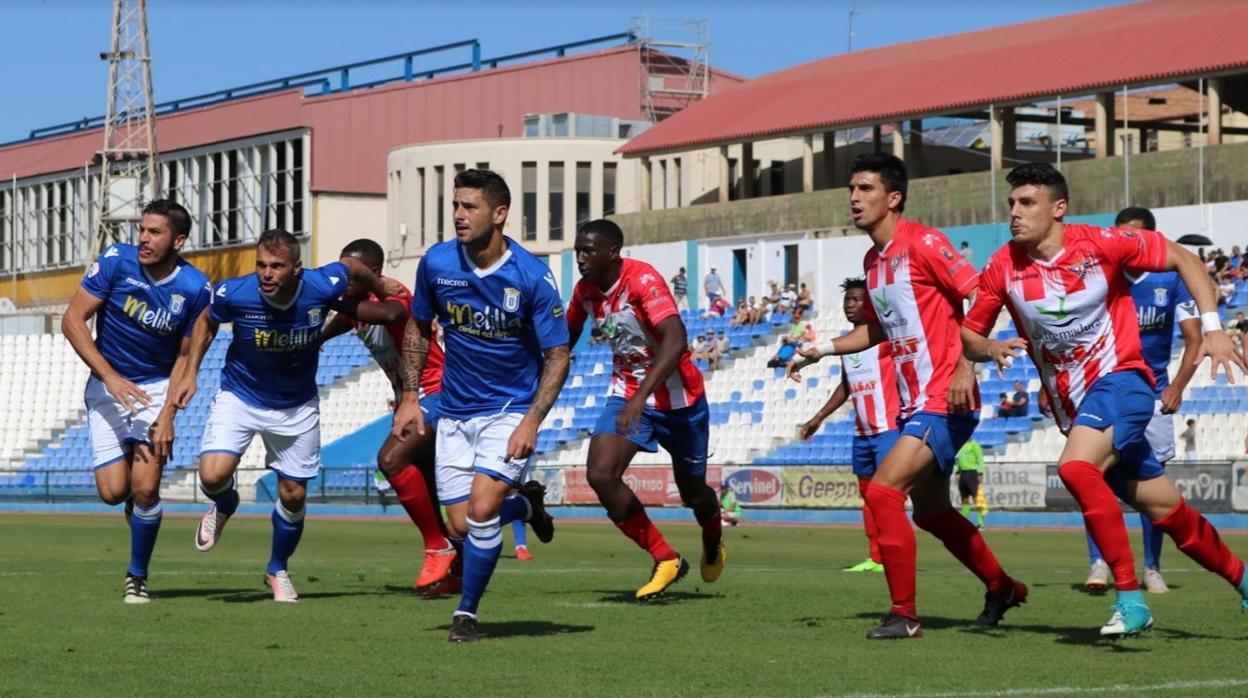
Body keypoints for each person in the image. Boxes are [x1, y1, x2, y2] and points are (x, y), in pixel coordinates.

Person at [961, 162, 1248, 637]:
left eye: (1026, 203)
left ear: (1059, 208)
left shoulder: (1101, 243)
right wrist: (988, 348)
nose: (1014, 212)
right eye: (1011, 203)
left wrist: (1214, 329)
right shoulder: (1003, 266)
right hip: (1074, 406)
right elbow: (969, 335)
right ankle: (1243, 579)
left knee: (1076, 469)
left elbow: (1185, 260)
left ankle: (1130, 597)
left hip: (1125, 382)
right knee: (1168, 513)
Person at [788, 153, 1024, 640]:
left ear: (893, 198)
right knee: (933, 513)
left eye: (866, 189)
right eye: (851, 189)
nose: (854, 198)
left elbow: (981, 297)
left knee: (881, 492)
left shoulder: (925, 242)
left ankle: (905, 615)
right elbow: (874, 330)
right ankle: (1001, 586)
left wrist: (965, 363)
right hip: (914, 403)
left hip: (946, 397)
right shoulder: (873, 262)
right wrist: (822, 350)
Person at [392, 169, 568, 642]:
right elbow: (417, 326)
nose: (458, 215)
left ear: (500, 213)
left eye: (469, 206)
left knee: (483, 507)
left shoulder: (531, 275)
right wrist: (411, 397)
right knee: (462, 523)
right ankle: (528, 506)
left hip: (509, 408)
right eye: (456, 205)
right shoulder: (437, 263)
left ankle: (466, 614)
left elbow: (557, 354)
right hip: (453, 411)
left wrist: (531, 419)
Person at [183, 229, 389, 603]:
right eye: (261, 264)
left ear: (297, 268)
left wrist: (381, 285)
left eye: (277, 266)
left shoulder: (322, 284)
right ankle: (226, 503)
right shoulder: (236, 293)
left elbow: (353, 265)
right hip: (240, 396)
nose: (266, 273)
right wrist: (190, 373)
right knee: (212, 476)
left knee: (293, 496)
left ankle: (277, 568)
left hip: (296, 404)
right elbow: (206, 320)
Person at [61, 199, 211, 604]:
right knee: (113, 493)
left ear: (178, 240)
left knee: (145, 489)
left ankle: (137, 576)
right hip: (107, 388)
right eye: (142, 230)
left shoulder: (196, 288)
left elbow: (186, 357)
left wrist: (168, 414)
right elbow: (72, 320)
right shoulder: (115, 262)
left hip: (157, 390)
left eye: (155, 232)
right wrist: (110, 377)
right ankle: (138, 512)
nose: (143, 238)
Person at [567, 219, 725, 601]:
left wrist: (643, 396)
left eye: (589, 251)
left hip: (680, 402)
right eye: (578, 251)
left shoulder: (643, 281)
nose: (581, 258)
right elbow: (563, 339)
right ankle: (665, 557)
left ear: (613, 252)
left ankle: (712, 537)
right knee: (601, 474)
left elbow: (675, 337)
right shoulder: (585, 292)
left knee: (692, 494)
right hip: (626, 392)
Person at [319, 238, 456, 593]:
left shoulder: (396, 295)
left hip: (438, 392)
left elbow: (394, 316)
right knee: (434, 494)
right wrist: (316, 339)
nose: (344, 279)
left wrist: (330, 297)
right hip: (411, 400)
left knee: (390, 459)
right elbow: (347, 319)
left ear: (374, 274)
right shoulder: (356, 306)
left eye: (351, 273)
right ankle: (459, 567)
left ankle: (437, 547)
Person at [1082, 206, 1203, 595]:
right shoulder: (1102, 277)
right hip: (1107, 391)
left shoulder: (1170, 278)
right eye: (1117, 233)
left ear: (1150, 237)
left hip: (1154, 395)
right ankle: (1099, 562)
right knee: (1093, 475)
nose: (1122, 242)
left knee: (1155, 487)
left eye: (1131, 235)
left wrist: (1177, 387)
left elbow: (1195, 339)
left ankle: (1152, 567)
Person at [797, 277, 899, 574]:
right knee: (868, 498)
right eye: (848, 300)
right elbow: (847, 385)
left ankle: (894, 554)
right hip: (862, 433)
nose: (851, 305)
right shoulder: (845, 344)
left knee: (885, 497)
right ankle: (875, 557)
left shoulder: (887, 339)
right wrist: (818, 417)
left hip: (888, 430)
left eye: (857, 300)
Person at [955, 439, 986, 528]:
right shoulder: (961, 444)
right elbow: (960, 459)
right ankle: (964, 522)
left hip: (972, 472)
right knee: (964, 498)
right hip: (963, 473)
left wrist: (980, 473)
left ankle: (981, 523)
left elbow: (980, 458)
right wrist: (958, 472)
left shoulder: (974, 444)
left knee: (976, 497)